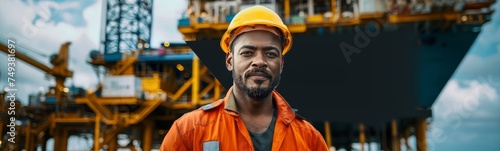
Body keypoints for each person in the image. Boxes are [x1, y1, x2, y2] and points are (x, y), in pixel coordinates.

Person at [160, 5, 330, 151]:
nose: (259, 62)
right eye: (247, 53)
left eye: (270, 54)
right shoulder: (187, 132)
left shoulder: (310, 140)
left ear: (282, 63)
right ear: (229, 61)